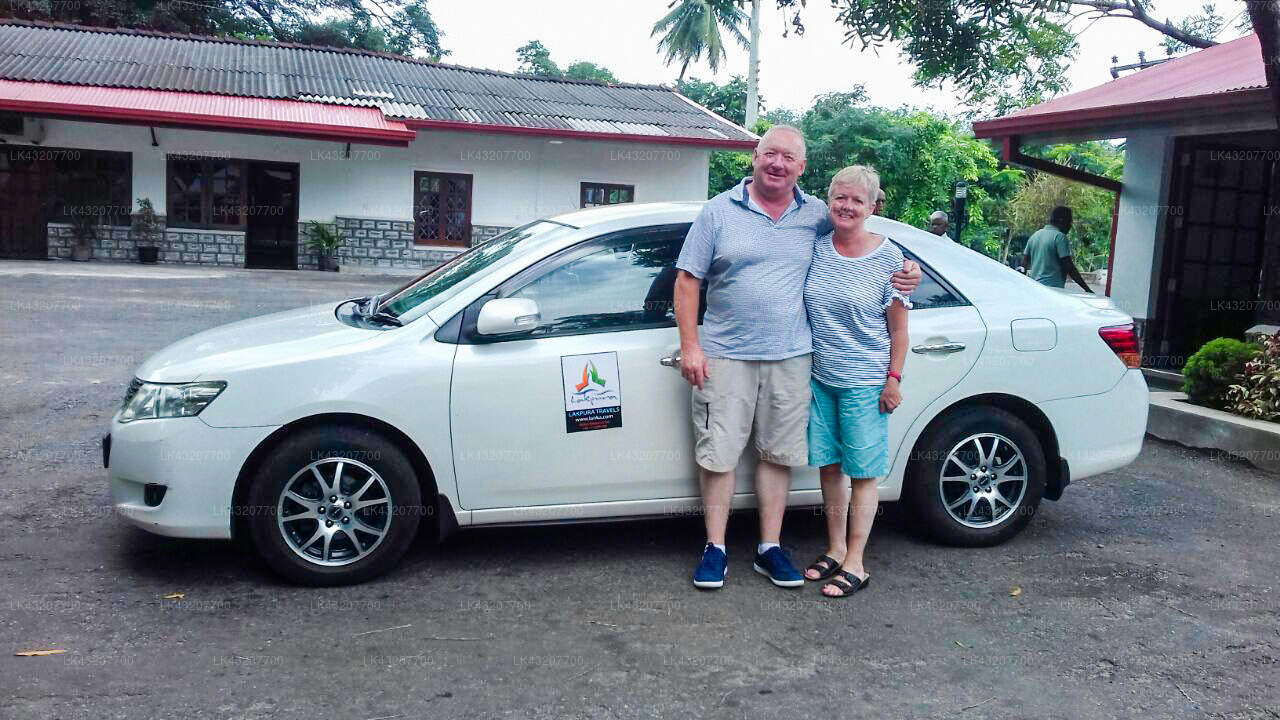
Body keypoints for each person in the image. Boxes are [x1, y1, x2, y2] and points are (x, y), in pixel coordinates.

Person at [673, 125, 920, 591]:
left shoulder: (815, 216)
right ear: (755, 156)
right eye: (770, 153)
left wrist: (911, 270)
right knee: (720, 454)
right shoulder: (718, 211)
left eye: (789, 157)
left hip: (793, 357)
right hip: (725, 353)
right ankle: (716, 548)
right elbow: (687, 281)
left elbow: (866, 239)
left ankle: (770, 547)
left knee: (777, 454)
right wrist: (690, 345)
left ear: (801, 168)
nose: (778, 163)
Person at [800, 165, 910, 598]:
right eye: (840, 198)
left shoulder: (891, 259)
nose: (846, 207)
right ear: (830, 199)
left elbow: (899, 330)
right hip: (820, 378)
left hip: (866, 381)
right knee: (829, 468)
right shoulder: (817, 248)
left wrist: (893, 379)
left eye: (856, 200)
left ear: (872, 206)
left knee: (863, 473)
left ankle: (856, 563)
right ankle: (834, 547)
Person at [1023, 206, 1093, 293]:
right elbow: (1068, 266)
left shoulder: (1035, 235)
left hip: (1035, 288)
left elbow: (1024, 263)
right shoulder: (1059, 237)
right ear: (1062, 220)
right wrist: (1087, 289)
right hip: (1052, 289)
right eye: (1069, 222)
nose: (1070, 225)